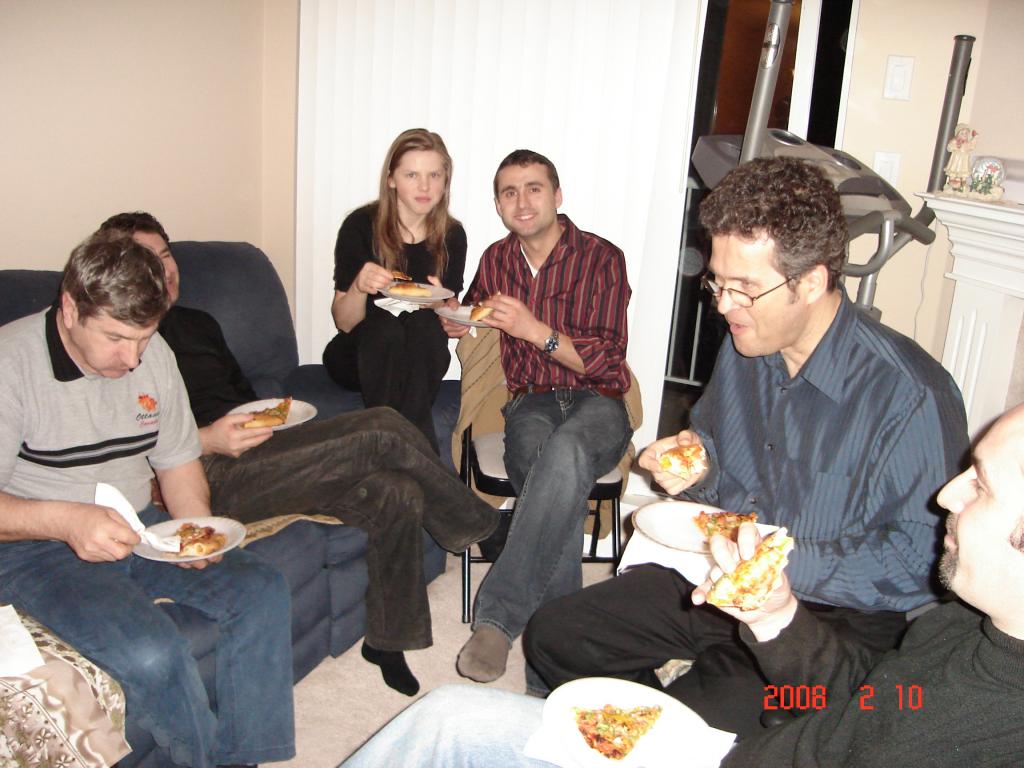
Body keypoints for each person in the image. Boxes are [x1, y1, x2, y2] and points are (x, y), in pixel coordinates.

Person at [523, 157, 969, 737]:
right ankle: (684, 691)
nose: (722, 304)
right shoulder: (744, 347)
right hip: (717, 577)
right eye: (717, 281)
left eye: (746, 289)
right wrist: (696, 469)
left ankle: (704, 707)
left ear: (811, 282)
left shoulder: (911, 395)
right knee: (553, 636)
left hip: (826, 623)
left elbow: (916, 564)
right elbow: (715, 461)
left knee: (684, 738)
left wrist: (767, 572)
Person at [339, 402, 1024, 768]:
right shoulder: (964, 627)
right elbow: (870, 696)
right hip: (736, 716)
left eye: (982, 486)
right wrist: (775, 614)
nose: (947, 493)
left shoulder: (987, 727)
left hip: (735, 741)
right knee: (458, 706)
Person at [98, 211, 499, 697]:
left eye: (166, 256)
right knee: (382, 429)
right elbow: (121, 440)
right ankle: (484, 530)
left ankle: (387, 641)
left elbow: (241, 397)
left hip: (259, 452)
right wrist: (207, 439)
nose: (164, 270)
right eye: (147, 260)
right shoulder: (118, 343)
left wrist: (271, 421)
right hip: (200, 473)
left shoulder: (199, 323)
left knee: (396, 489)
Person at [0, 233, 295, 767]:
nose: (133, 358)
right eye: (116, 338)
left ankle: (244, 759)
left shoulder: (153, 356)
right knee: (153, 651)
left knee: (261, 590)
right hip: (37, 547)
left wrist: (197, 530)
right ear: (70, 309)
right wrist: (66, 521)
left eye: (144, 336)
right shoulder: (10, 364)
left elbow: (177, 463)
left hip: (141, 525)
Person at [439, 149, 634, 683]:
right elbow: (475, 313)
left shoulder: (602, 257)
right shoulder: (496, 259)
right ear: (498, 204)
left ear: (557, 195)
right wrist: (456, 320)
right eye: (509, 192)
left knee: (564, 453)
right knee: (555, 480)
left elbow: (608, 358)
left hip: (599, 401)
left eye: (533, 188)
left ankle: (498, 620)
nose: (521, 201)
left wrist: (533, 330)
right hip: (529, 403)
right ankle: (557, 668)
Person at [323, 128, 466, 453]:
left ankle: (392, 452)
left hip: (418, 355)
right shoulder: (361, 226)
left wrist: (447, 312)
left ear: (446, 180)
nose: (424, 186)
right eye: (412, 175)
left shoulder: (452, 236)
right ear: (391, 179)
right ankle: (421, 454)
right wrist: (359, 286)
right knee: (384, 326)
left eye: (434, 175)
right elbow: (344, 322)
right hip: (359, 355)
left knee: (425, 325)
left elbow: (446, 316)